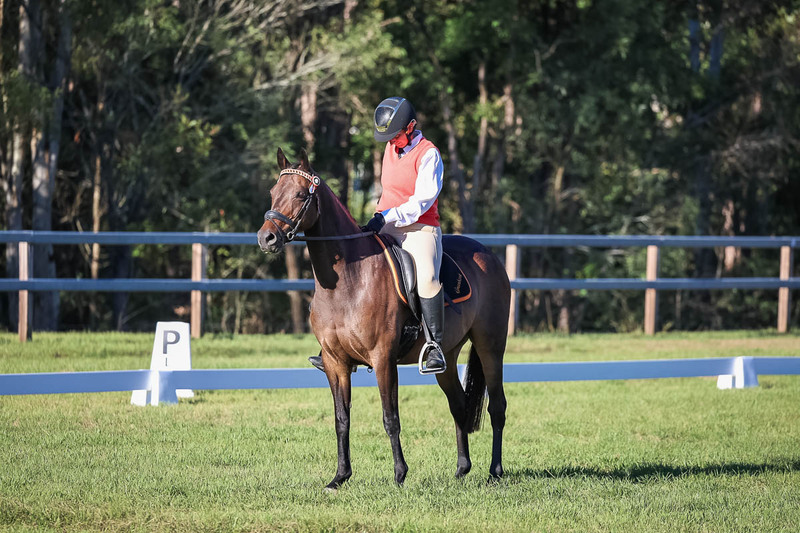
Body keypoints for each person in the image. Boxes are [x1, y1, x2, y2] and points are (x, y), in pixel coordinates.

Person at [309, 96, 447, 374]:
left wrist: (387, 216)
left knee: (428, 280)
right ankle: (336, 344)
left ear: (411, 127)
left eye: (396, 135)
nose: (391, 141)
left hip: (420, 227)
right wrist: (379, 217)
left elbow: (422, 200)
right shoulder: (389, 148)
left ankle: (434, 345)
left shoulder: (429, 154)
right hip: (385, 223)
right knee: (352, 267)